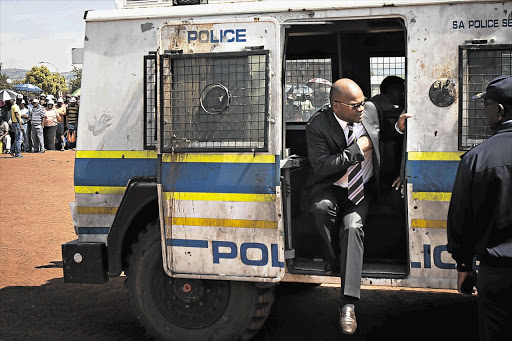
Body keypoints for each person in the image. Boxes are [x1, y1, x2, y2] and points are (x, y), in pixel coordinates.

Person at [306, 78, 380, 335]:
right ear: (336, 106)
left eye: (363, 103)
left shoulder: (370, 110)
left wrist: (400, 127)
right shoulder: (318, 124)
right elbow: (322, 166)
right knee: (321, 209)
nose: (362, 109)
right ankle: (338, 261)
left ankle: (348, 304)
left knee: (352, 226)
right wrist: (356, 150)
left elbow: (388, 135)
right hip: (331, 185)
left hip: (363, 187)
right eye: (355, 106)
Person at [447, 75, 512, 341]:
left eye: (485, 105)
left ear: (498, 111)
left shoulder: (476, 159)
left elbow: (461, 219)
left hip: (497, 273)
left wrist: (464, 265)